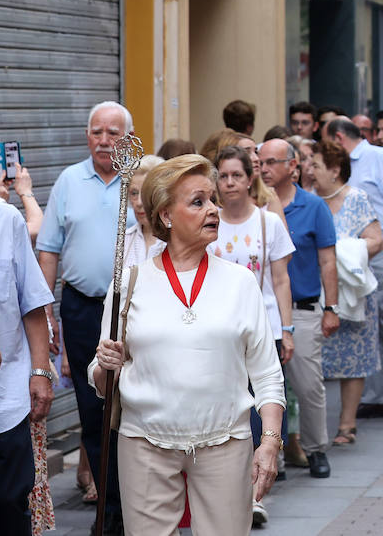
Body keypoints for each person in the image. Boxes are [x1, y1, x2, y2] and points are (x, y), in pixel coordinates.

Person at [90, 154, 286, 535]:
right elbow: (100, 380)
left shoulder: (240, 282)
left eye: (212, 200)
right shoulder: (129, 284)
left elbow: (266, 373)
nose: (214, 209)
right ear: (165, 215)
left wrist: (270, 443)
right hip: (144, 442)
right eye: (198, 202)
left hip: (226, 442)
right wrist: (104, 365)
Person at [35, 100, 133, 528]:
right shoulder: (69, 181)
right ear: (87, 136)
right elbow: (49, 252)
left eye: (113, 132)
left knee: (133, 407)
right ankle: (108, 510)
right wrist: (47, 313)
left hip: (132, 311)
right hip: (80, 308)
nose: (104, 140)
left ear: (127, 137)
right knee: (93, 412)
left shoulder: (140, 179)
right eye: (97, 131)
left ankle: (138, 503)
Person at [208, 144, 296, 524]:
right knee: (230, 406)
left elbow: (280, 279)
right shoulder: (209, 221)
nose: (230, 183)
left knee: (265, 405)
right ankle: (231, 483)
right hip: (220, 328)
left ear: (250, 178)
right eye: (223, 176)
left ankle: (257, 492)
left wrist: (287, 329)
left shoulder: (267, 222)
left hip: (264, 325)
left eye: (237, 176)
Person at [256, 138, 338, 475]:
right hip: (261, 310)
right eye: (261, 162)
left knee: (307, 383)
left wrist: (331, 307)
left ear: (293, 166)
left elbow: (328, 260)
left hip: (302, 308)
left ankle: (316, 448)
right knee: (266, 386)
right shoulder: (252, 208)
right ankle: (273, 449)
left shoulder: (313, 206)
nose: (265, 169)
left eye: (272, 162)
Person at [0, 185, 54, 536]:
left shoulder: (4, 220)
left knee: (8, 505)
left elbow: (32, 303)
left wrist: (40, 373)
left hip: (2, 397)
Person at [328, 117, 383, 424]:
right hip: (352, 258)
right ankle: (376, 397)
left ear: (338, 137)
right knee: (366, 327)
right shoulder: (337, 166)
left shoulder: (379, 157)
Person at [311, 139, 383, 449]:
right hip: (315, 290)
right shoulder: (308, 201)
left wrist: (340, 252)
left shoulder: (358, 199)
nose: (308, 170)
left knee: (353, 359)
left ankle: (347, 423)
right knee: (314, 358)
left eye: (314, 165)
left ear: (334, 170)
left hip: (352, 291)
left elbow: (376, 240)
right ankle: (313, 427)